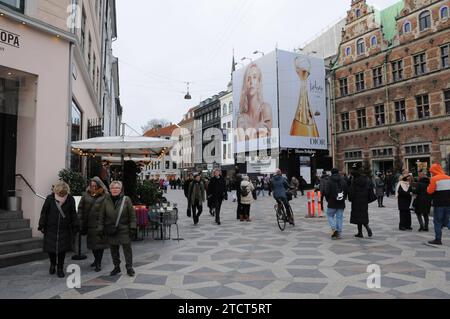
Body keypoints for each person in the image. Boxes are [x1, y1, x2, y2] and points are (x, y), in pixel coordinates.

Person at [38, 181, 78, 278]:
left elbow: (73, 213)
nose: (62, 194)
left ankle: (60, 268)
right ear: (56, 191)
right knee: (51, 249)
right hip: (51, 227)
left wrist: (75, 225)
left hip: (64, 228)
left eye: (64, 192)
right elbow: (44, 213)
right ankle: (52, 264)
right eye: (60, 192)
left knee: (62, 250)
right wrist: (41, 224)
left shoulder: (70, 199)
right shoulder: (50, 199)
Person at [98, 181, 137, 277]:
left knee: (127, 250)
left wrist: (133, 227)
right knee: (113, 250)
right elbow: (101, 216)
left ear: (121, 189)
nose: (115, 190)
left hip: (124, 229)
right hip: (111, 228)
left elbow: (132, 215)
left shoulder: (126, 199)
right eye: (113, 188)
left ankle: (129, 267)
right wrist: (100, 228)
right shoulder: (105, 200)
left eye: (117, 188)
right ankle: (116, 267)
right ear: (110, 190)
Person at [79, 177, 109, 272]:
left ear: (100, 185)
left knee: (100, 245)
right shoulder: (86, 195)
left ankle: (98, 263)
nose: (94, 187)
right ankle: (96, 259)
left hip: (101, 224)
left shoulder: (105, 195)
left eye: (96, 186)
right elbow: (81, 208)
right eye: (92, 185)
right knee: (93, 245)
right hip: (90, 224)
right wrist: (80, 220)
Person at [237, 63, 273, 142]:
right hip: (248, 153)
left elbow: (269, 137)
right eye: (248, 79)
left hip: (265, 152)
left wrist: (249, 133)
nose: (251, 82)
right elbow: (241, 141)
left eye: (254, 77)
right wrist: (257, 129)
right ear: (245, 84)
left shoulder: (265, 108)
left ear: (259, 82)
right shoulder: (241, 118)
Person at [427, 164, 450, 246]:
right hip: (448, 203)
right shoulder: (448, 177)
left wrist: (428, 187)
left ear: (434, 171)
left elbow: (429, 191)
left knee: (437, 221)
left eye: (432, 172)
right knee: (446, 221)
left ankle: (438, 239)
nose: (431, 173)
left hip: (439, 204)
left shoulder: (434, 179)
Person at [348, 165, 373, 238]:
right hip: (364, 200)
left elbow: (352, 191)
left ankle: (363, 230)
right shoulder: (366, 179)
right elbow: (370, 187)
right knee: (363, 215)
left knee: (358, 216)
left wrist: (350, 198)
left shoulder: (354, 180)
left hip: (356, 201)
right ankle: (361, 232)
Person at [324, 168, 348, 240]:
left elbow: (327, 192)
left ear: (331, 173)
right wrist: (343, 198)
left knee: (329, 215)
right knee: (339, 218)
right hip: (341, 203)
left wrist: (328, 200)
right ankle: (339, 233)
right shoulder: (343, 181)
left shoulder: (329, 181)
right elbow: (346, 191)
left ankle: (334, 229)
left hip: (332, 202)